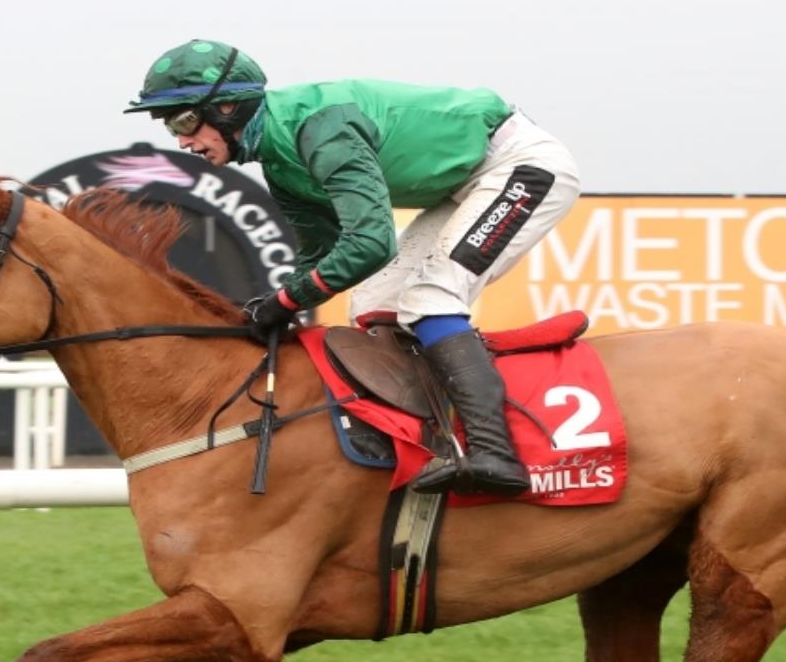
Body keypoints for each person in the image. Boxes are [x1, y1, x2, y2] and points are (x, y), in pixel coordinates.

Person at [126, 40, 581, 497]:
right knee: (372, 302)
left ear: (227, 107)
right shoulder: (279, 162)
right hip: (462, 183)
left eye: (185, 121)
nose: (183, 141)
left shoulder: (319, 129)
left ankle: (494, 453)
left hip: (520, 166)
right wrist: (281, 303)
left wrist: (286, 301)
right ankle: (423, 442)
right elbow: (319, 254)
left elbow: (370, 243)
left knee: (432, 297)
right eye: (172, 126)